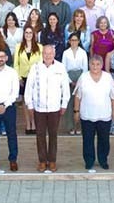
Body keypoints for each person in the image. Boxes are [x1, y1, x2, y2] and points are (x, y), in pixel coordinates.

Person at [24, 44, 71, 173]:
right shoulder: (36, 67)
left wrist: (64, 104)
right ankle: (42, 161)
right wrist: (30, 104)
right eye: (45, 53)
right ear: (42, 54)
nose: (48, 55)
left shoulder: (60, 67)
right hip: (39, 108)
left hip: (55, 108)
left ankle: (52, 161)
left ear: (54, 54)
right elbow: (29, 87)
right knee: (40, 135)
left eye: (50, 53)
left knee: (53, 135)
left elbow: (65, 87)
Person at [74, 54, 114, 172]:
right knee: (87, 140)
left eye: (98, 64)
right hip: (87, 115)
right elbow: (78, 97)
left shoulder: (108, 77)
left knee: (104, 140)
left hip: (104, 115)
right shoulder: (83, 77)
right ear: (89, 65)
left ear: (102, 65)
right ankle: (89, 161)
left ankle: (103, 160)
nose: (95, 66)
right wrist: (76, 111)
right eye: (92, 64)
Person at [13, 25, 41, 135]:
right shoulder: (18, 47)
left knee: (33, 101)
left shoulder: (39, 47)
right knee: (25, 101)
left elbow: (41, 64)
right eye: (26, 33)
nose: (28, 35)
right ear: (24, 34)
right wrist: (19, 77)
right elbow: (16, 64)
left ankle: (33, 123)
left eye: (30, 33)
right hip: (23, 77)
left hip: (35, 78)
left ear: (33, 35)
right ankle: (27, 124)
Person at [62, 33, 88, 135]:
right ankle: (71, 127)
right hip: (69, 77)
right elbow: (63, 68)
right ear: (69, 41)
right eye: (72, 40)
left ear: (79, 41)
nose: (74, 42)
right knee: (70, 103)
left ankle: (79, 127)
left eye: (76, 40)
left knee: (81, 103)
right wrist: (69, 81)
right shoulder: (65, 53)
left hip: (80, 77)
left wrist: (80, 81)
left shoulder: (83, 52)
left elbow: (85, 68)